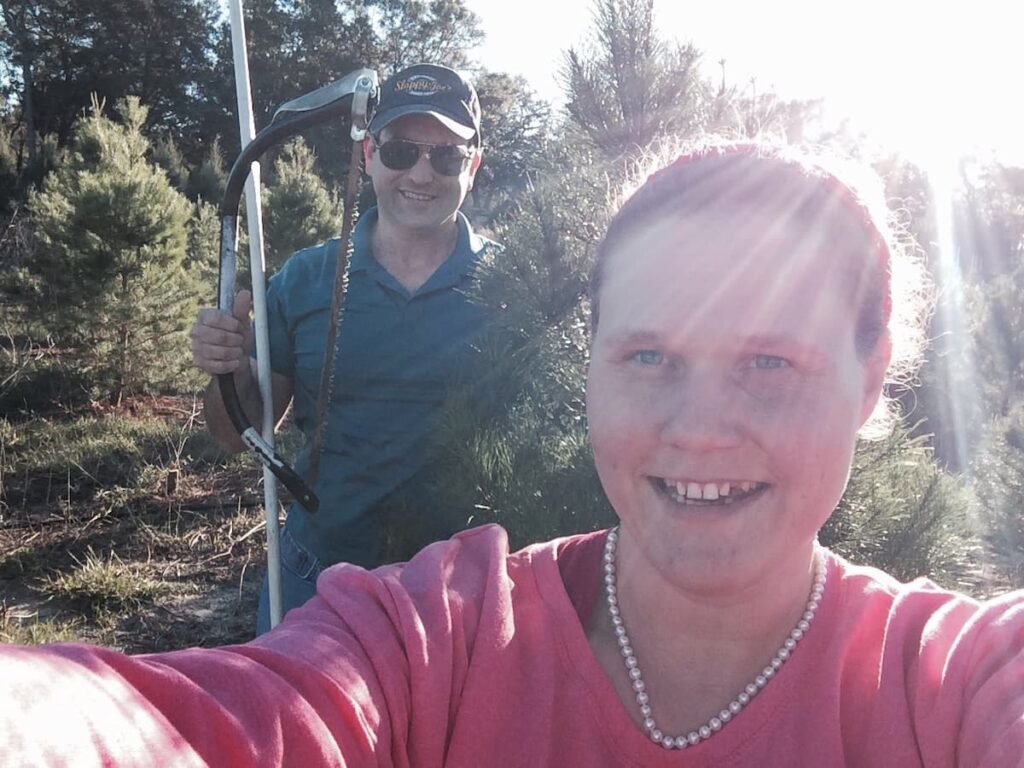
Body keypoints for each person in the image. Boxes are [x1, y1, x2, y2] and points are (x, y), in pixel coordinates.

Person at [4, 142, 1023, 765]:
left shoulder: (949, 686)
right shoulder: (436, 646)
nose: (699, 425)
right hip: (343, 575)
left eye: (769, 360)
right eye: (648, 354)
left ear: (871, 380)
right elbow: (214, 725)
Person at [190, 63, 499, 633]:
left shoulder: (511, 287)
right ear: (368, 157)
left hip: (465, 596)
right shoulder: (306, 279)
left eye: (447, 156)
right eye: (402, 151)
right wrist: (226, 369)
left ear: (473, 166)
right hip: (318, 583)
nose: (422, 174)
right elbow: (237, 433)